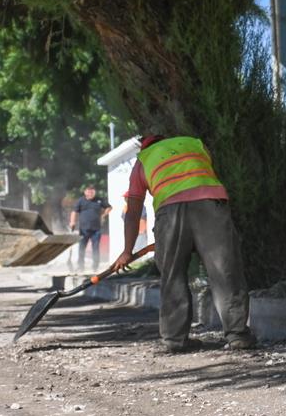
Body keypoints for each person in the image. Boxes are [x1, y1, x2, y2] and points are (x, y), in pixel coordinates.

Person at [109, 134, 255, 353]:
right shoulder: (196, 143)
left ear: (144, 144)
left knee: (172, 274)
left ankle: (174, 340)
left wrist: (127, 251)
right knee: (224, 270)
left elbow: (133, 211)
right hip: (209, 205)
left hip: (170, 213)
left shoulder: (144, 160)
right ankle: (237, 336)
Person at [69, 186, 111, 271]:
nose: (91, 193)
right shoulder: (81, 201)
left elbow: (109, 207)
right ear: (85, 192)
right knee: (82, 247)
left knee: (95, 248)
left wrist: (104, 215)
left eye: (92, 191)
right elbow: (74, 211)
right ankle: (81, 266)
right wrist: (72, 222)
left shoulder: (99, 200)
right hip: (84, 229)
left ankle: (95, 267)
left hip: (96, 229)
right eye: (89, 191)